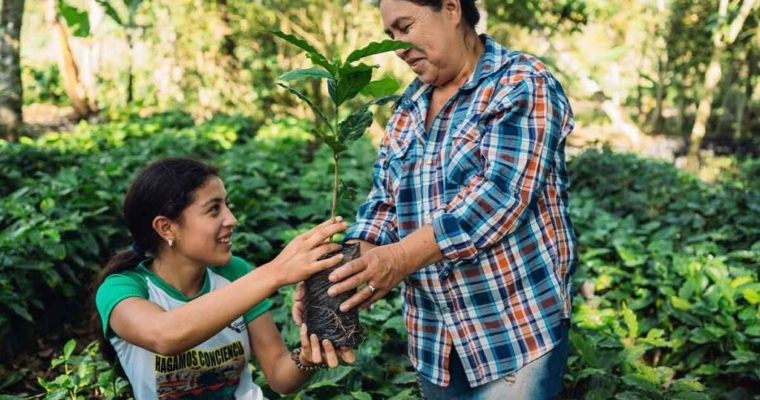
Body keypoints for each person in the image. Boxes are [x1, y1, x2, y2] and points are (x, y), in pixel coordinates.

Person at [296, 0, 577, 398]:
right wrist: (341, 278)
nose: (398, 46)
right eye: (391, 34)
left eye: (405, 26)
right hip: (435, 342)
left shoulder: (521, 82)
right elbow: (384, 204)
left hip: (513, 333)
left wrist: (396, 258)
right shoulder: (409, 106)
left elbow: (498, 198)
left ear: (450, 8)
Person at [94, 157, 354, 400]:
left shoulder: (234, 273)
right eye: (213, 210)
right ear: (166, 227)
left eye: (227, 206)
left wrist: (305, 358)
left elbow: (279, 376)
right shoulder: (122, 288)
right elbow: (165, 335)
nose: (232, 219)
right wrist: (275, 271)